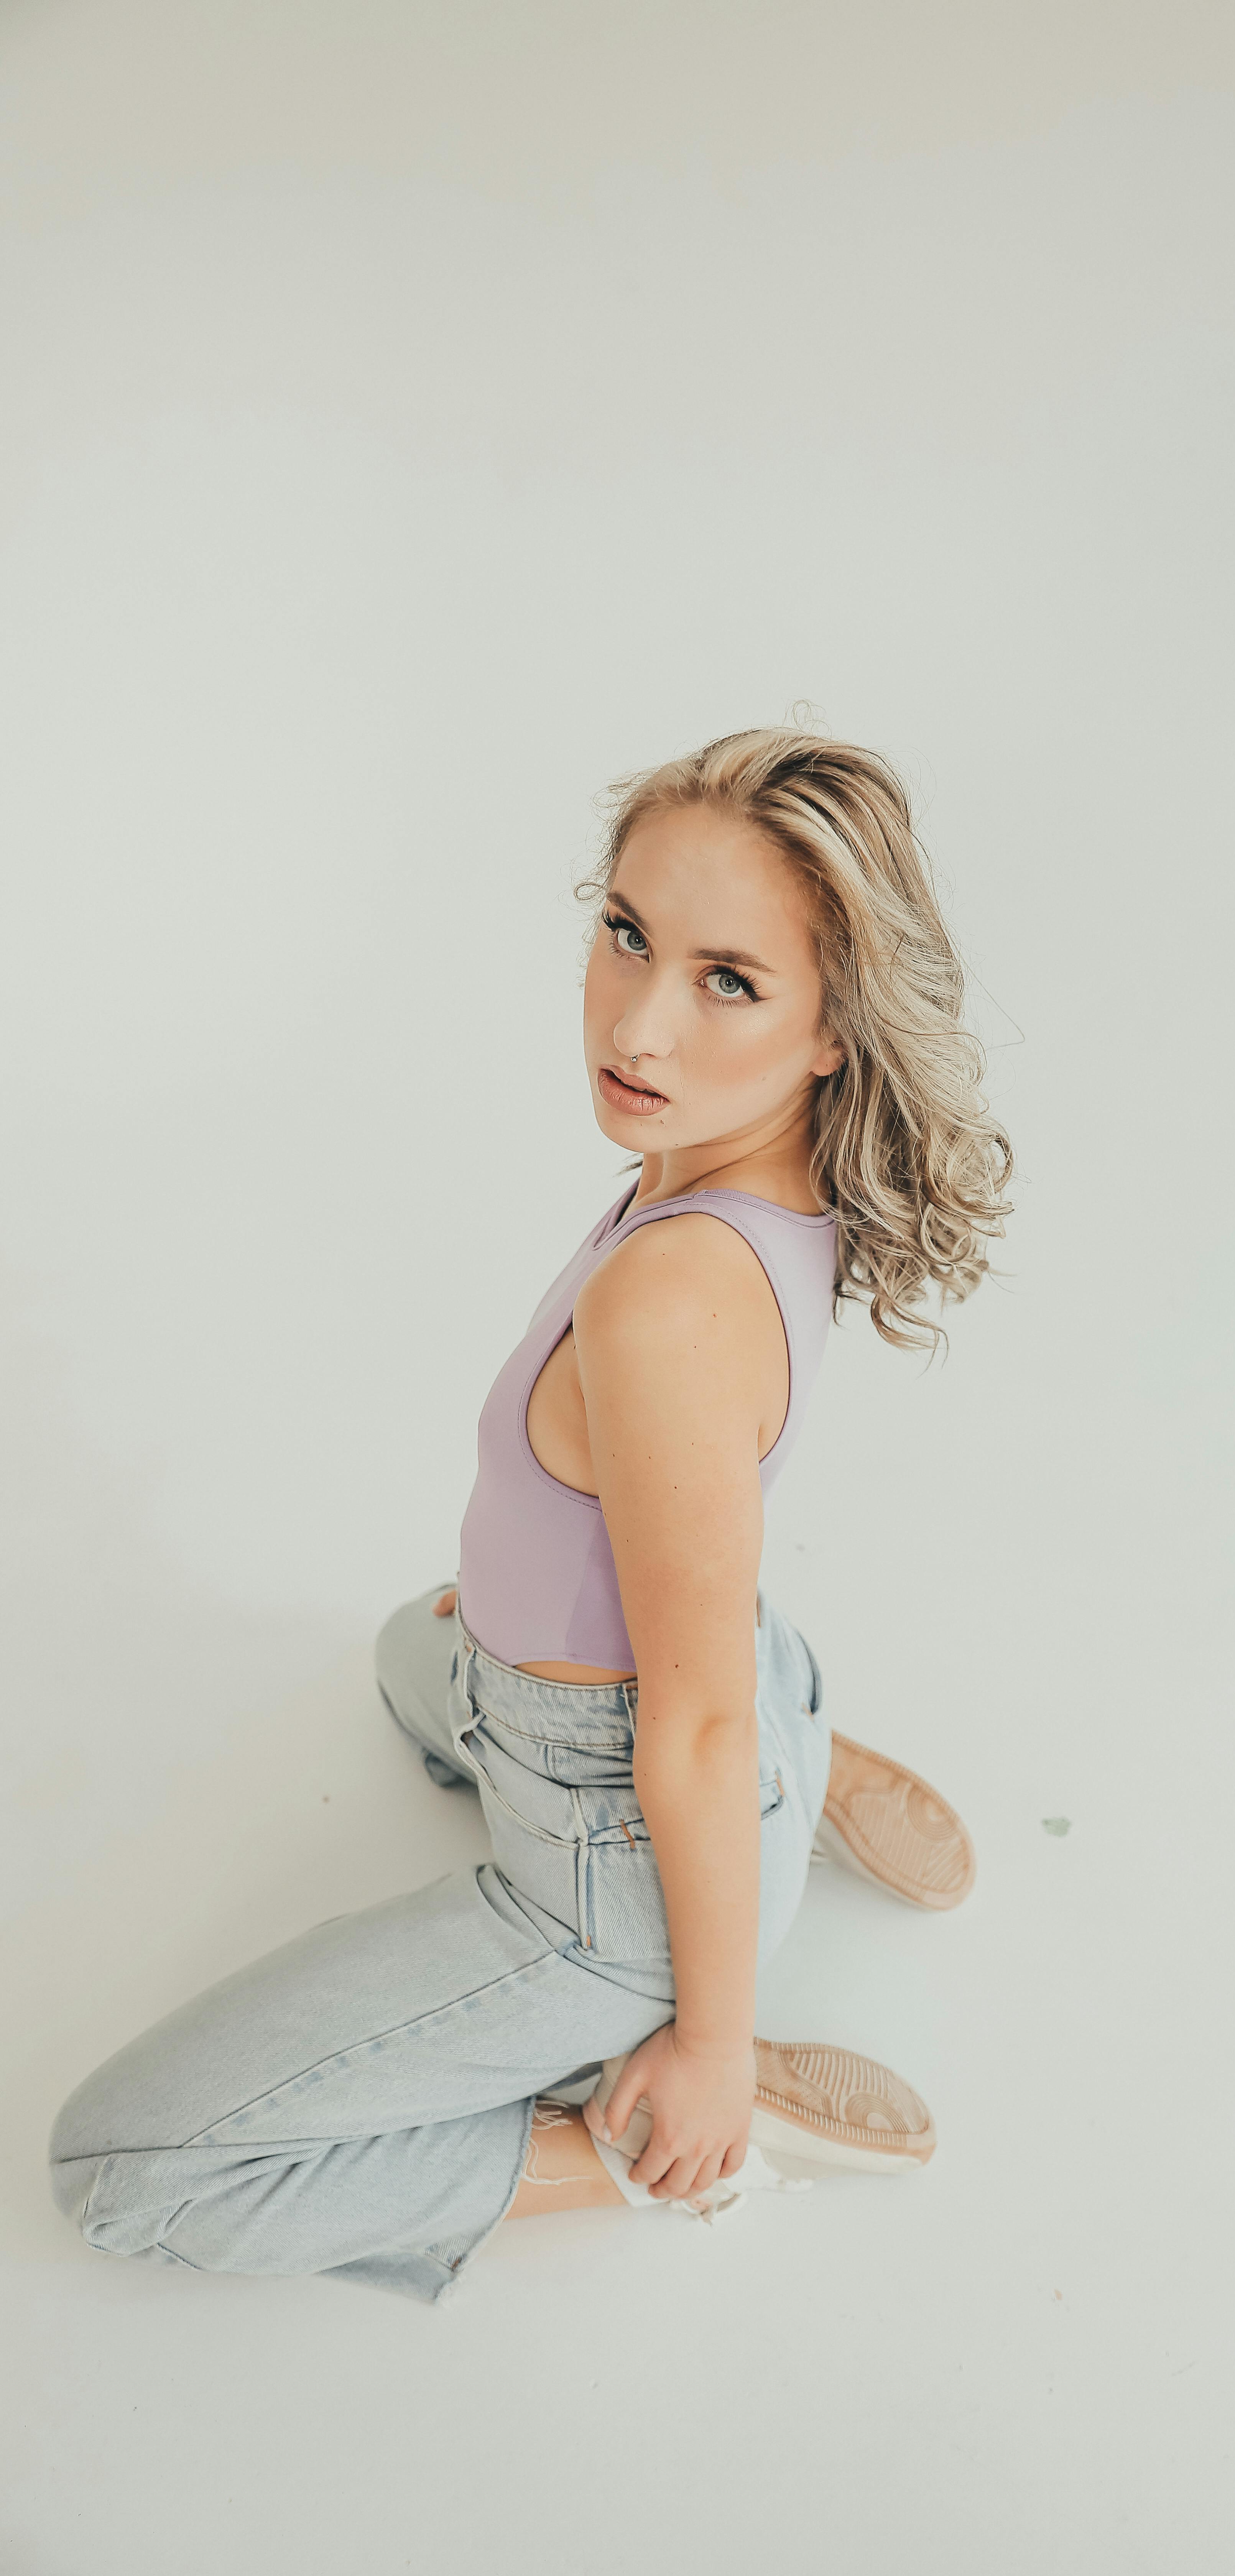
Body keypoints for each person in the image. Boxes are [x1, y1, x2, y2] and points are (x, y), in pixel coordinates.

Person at [48, 726, 1013, 2302]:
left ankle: (675, 2121)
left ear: (834, 1027)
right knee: (399, 1655)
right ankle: (796, 1760)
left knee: (121, 2170)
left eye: (729, 981)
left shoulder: (671, 1304)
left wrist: (704, 2047)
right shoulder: (742, 1160)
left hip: (613, 1854)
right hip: (664, 1692)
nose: (637, 1022)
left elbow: (681, 1722)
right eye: (628, 932)